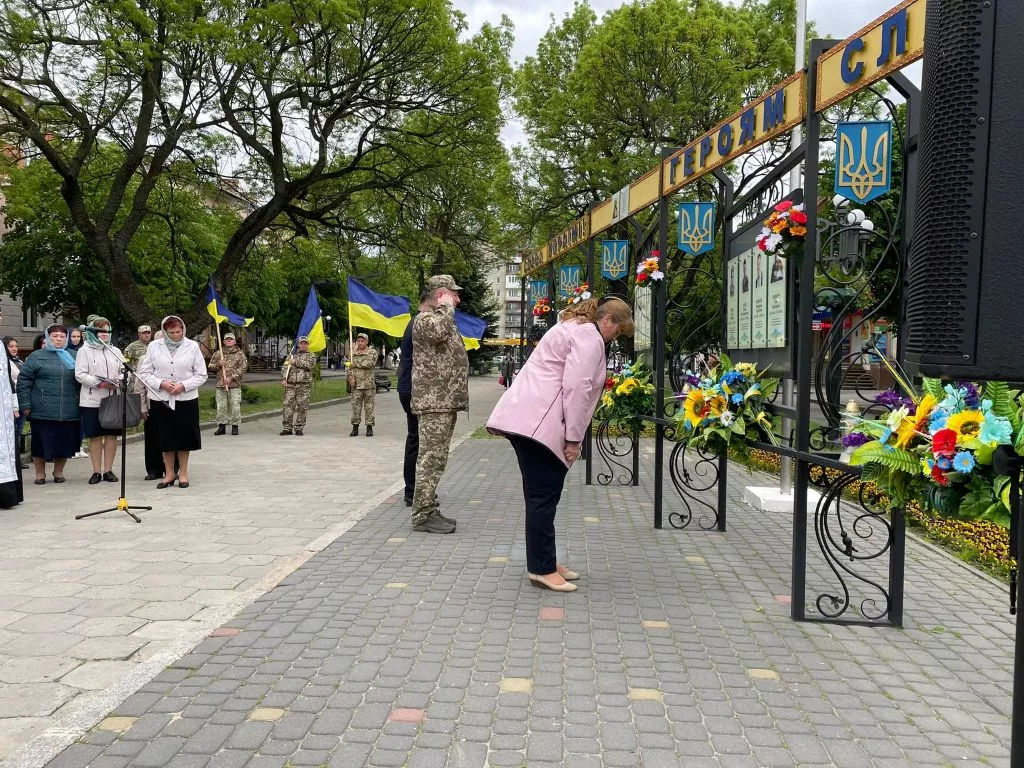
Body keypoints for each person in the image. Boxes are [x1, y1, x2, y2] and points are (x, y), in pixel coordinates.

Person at [487, 296, 635, 592]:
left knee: (540, 496)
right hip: (541, 424)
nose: (615, 338)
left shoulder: (572, 327)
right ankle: (541, 569)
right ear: (607, 320)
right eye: (617, 331)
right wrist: (574, 438)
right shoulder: (589, 338)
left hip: (528, 419)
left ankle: (546, 561)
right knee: (543, 497)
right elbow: (577, 388)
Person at [410, 274, 469, 534]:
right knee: (430, 459)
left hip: (443, 401)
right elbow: (437, 332)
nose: (457, 299)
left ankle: (428, 507)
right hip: (434, 402)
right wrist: (446, 307)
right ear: (441, 294)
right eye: (453, 294)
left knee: (436, 459)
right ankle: (422, 514)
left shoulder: (439, 319)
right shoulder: (425, 320)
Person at [137, 316, 207, 488]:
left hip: (186, 399)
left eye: (179, 331)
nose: (176, 335)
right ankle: (169, 473)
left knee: (184, 437)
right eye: (172, 332)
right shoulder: (154, 346)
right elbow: (144, 373)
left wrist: (184, 385)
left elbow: (201, 374)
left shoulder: (192, 346)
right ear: (165, 332)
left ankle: (183, 473)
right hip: (161, 399)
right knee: (165, 437)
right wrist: (161, 383)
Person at [17, 324, 81, 485]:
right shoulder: (36, 356)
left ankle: (58, 471)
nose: (58, 339)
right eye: (55, 336)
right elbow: (24, 382)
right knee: (41, 443)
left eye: (62, 336)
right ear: (48, 337)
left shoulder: (74, 356)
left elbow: (82, 380)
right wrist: (25, 404)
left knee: (64, 443)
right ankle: (40, 473)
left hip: (69, 409)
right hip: (42, 408)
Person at [74, 317, 124, 484]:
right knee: (95, 436)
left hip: (112, 398)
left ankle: (108, 470)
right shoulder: (85, 350)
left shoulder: (115, 350)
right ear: (93, 332)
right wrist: (100, 383)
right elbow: (80, 374)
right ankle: (96, 472)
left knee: (111, 436)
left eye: (108, 331)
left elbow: (123, 370)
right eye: (101, 331)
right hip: (92, 400)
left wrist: (119, 379)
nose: (105, 335)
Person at [397, 291, 433, 506]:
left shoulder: (414, 321)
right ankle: (412, 491)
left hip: (410, 387)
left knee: (417, 439)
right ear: (427, 304)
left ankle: (415, 490)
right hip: (413, 388)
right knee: (416, 440)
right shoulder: (419, 322)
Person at [134, 331, 169, 481]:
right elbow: (139, 385)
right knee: (153, 438)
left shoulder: (174, 358)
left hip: (171, 403)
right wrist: (142, 407)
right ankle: (154, 469)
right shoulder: (144, 359)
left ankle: (172, 469)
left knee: (170, 436)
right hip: (151, 404)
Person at [0, 319, 23, 507]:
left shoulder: (1, 345)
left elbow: (7, 377)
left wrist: (14, 405)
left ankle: (7, 495)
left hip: (3, 408)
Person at [208, 331, 248, 436]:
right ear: (224, 341)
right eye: (227, 339)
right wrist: (218, 364)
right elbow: (210, 366)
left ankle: (235, 426)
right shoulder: (218, 353)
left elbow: (243, 367)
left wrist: (232, 377)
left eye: (231, 339)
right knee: (221, 406)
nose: (229, 341)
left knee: (235, 406)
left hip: (234, 385)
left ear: (234, 341)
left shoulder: (240, 354)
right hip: (220, 384)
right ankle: (221, 426)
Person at [280, 337, 316, 436]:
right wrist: (283, 378)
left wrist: (295, 362)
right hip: (290, 385)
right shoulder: (292, 355)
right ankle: (287, 428)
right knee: (287, 406)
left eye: (305, 343)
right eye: (301, 343)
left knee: (302, 407)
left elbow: (309, 365)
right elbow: (285, 367)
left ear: (308, 345)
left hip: (303, 385)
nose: (303, 345)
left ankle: (299, 427)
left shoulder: (311, 355)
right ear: (298, 344)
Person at [349, 332, 377, 437]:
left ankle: (369, 427)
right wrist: (350, 377)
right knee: (356, 407)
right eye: (358, 341)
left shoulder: (372, 352)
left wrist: (355, 364)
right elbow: (349, 366)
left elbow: (369, 364)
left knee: (369, 407)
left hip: (368, 385)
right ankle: (355, 427)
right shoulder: (353, 353)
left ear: (367, 342)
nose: (360, 343)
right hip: (356, 385)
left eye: (362, 341)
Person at [5, 337, 26, 457]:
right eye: (11, 346)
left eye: (16, 346)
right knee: (11, 430)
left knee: (19, 429)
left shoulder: (19, 361)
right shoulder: (5, 362)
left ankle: (16, 458)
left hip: (21, 399)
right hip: (11, 400)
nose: (14, 349)